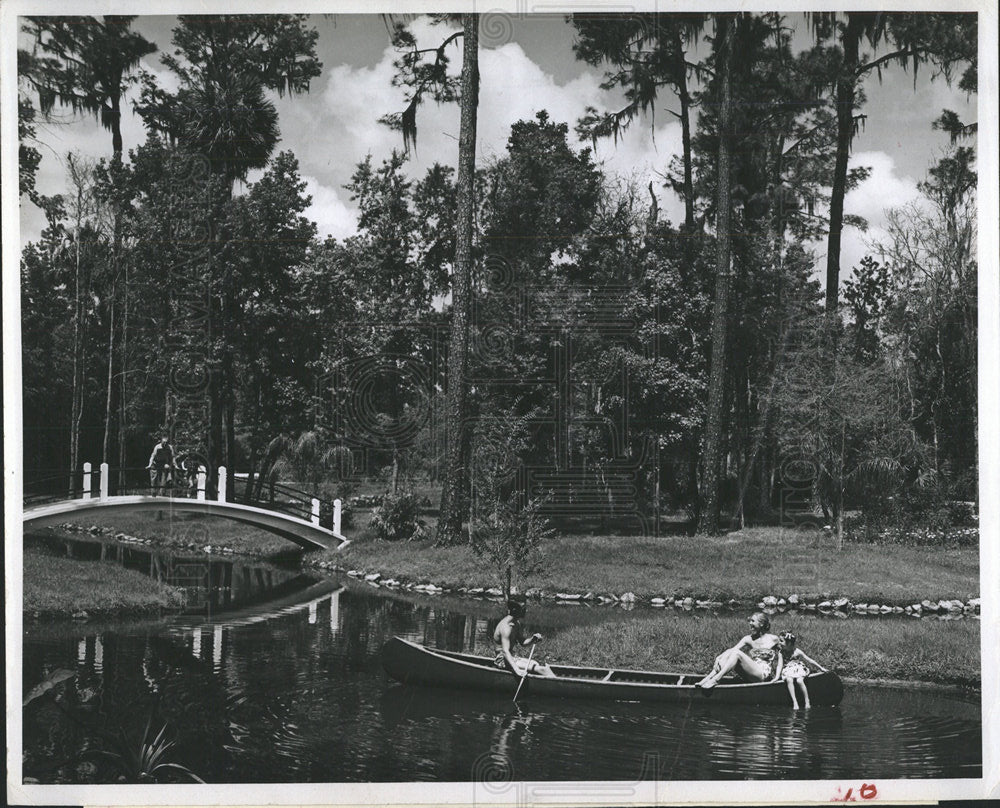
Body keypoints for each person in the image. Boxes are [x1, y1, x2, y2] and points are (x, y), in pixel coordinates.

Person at [696, 612, 781, 689]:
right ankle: (706, 679)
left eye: (753, 621)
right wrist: (719, 657)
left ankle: (716, 679)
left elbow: (783, 656)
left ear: (761, 624)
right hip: (751, 672)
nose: (750, 623)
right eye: (750, 621)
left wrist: (778, 676)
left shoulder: (773, 639)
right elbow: (731, 650)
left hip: (763, 675)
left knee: (736, 653)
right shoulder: (748, 639)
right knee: (731, 653)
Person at [493, 594, 557, 678]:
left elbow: (522, 642)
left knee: (535, 663)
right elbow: (505, 651)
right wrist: (517, 670)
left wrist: (532, 639)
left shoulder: (516, 623)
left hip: (512, 657)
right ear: (515, 609)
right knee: (542, 669)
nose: (525, 611)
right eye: (523, 608)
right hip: (503, 661)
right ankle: (561, 686)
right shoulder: (506, 627)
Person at [775, 630, 827, 709]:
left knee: (799, 680)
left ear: (788, 643)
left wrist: (821, 668)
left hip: (798, 668)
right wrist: (776, 677)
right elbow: (779, 665)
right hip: (788, 669)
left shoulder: (797, 651)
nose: (779, 643)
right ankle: (794, 702)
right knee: (789, 680)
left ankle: (807, 700)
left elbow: (809, 660)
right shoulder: (781, 653)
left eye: (781, 641)